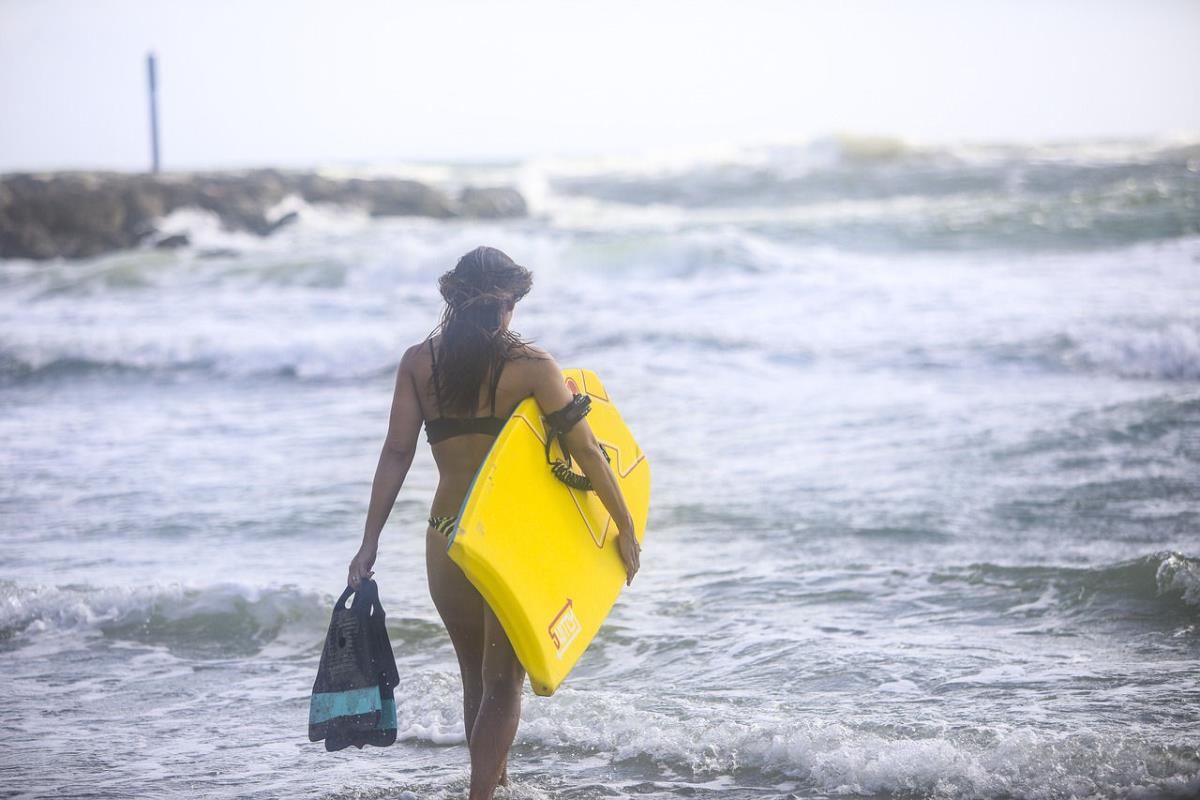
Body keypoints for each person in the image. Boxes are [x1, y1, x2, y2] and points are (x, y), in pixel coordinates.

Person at [345, 245, 641, 800]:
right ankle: (481, 796)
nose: (508, 315)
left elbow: (395, 453)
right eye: (509, 304)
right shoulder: (532, 366)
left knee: (475, 678)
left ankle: (495, 785)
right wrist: (624, 524)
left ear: (453, 299)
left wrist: (369, 543)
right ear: (507, 302)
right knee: (504, 681)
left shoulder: (419, 362)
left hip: (444, 534)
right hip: (503, 540)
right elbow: (588, 454)